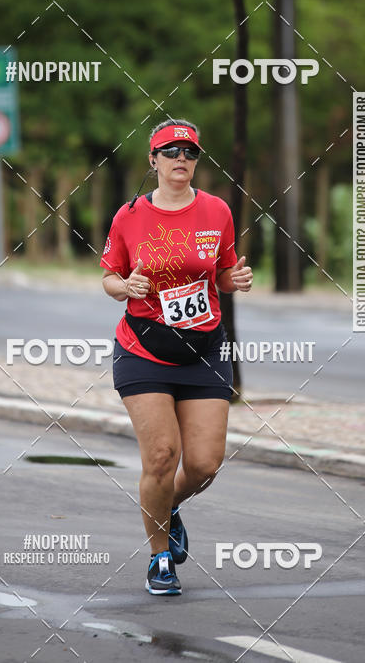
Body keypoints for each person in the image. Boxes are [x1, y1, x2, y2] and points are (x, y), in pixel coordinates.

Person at [100, 119, 253, 595]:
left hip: (205, 349)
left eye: (189, 152)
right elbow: (109, 277)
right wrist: (125, 287)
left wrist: (236, 281)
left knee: (205, 464)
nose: (180, 159)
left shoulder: (217, 211)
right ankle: (160, 557)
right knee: (163, 456)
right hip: (143, 349)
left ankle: (170, 507)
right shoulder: (129, 216)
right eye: (170, 152)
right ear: (154, 161)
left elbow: (224, 273)